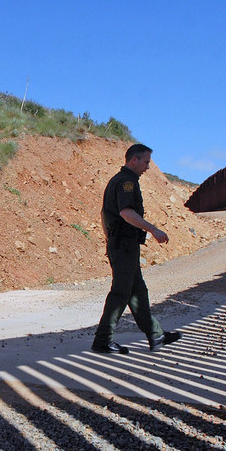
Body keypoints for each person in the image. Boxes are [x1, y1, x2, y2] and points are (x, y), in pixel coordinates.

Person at [91, 143, 181, 355]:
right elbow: (126, 213)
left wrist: (110, 241)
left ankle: (156, 335)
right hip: (124, 245)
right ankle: (102, 341)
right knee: (121, 293)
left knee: (137, 292)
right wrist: (154, 230)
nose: (148, 167)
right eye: (146, 162)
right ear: (134, 160)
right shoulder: (127, 183)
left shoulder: (117, 180)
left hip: (122, 245)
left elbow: (104, 214)